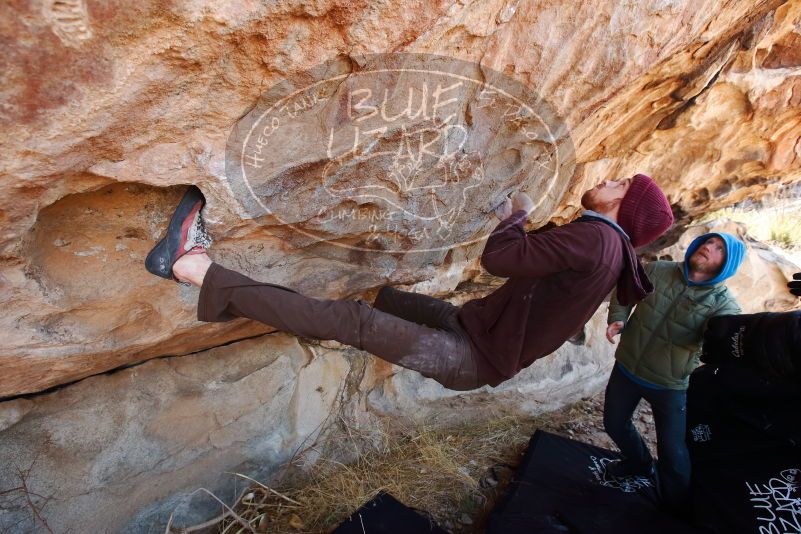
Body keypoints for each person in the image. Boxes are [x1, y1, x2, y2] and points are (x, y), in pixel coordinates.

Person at [145, 173, 673, 391]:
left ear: (622, 206)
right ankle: (312, 310)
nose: (608, 181)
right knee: (383, 299)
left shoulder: (599, 240)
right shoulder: (610, 251)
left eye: (621, 183)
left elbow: (501, 258)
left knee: (351, 319)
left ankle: (193, 267)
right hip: (475, 335)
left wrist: (514, 215)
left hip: (470, 355)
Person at [603, 231, 746, 514]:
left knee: (673, 453)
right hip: (627, 368)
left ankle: (677, 508)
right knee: (614, 424)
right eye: (708, 241)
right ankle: (639, 464)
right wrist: (618, 318)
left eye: (719, 249)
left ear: (727, 264)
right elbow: (625, 292)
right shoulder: (658, 270)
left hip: (671, 385)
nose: (708, 247)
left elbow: (724, 347)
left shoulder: (724, 306)